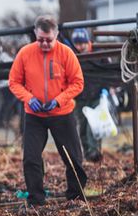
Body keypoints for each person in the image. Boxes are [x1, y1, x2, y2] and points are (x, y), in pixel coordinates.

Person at [8, 15, 88, 206]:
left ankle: (75, 197)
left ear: (56, 35)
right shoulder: (25, 53)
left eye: (48, 40)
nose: (44, 43)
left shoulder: (66, 53)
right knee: (31, 158)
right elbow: (14, 82)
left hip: (62, 114)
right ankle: (36, 200)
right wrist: (28, 98)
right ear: (35, 33)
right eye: (40, 39)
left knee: (73, 158)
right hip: (34, 115)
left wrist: (59, 100)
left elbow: (78, 83)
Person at [70, 28, 105, 162]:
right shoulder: (73, 56)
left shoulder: (99, 54)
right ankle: (87, 153)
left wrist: (106, 89)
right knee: (83, 125)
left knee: (95, 125)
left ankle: (95, 151)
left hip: (96, 95)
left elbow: (108, 71)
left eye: (82, 43)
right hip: (80, 97)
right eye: (77, 44)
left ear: (88, 41)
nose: (80, 47)